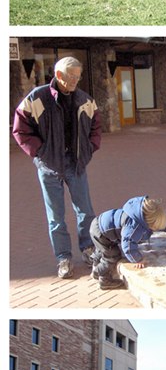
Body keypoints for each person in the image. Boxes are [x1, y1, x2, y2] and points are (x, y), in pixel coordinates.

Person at [13, 56, 102, 279]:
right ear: (59, 75)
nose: (76, 80)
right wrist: (39, 153)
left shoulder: (85, 100)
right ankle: (63, 257)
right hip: (49, 166)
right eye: (72, 76)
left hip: (76, 164)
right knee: (56, 217)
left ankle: (88, 249)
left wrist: (90, 148)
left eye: (78, 76)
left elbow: (96, 127)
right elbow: (20, 129)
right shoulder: (38, 98)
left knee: (86, 211)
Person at [89, 196, 166, 290]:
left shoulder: (141, 214)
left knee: (102, 250)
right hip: (101, 234)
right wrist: (137, 259)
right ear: (149, 224)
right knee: (112, 256)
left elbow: (160, 225)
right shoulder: (133, 227)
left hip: (99, 225)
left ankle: (96, 263)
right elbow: (128, 245)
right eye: (154, 228)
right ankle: (102, 277)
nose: (155, 229)